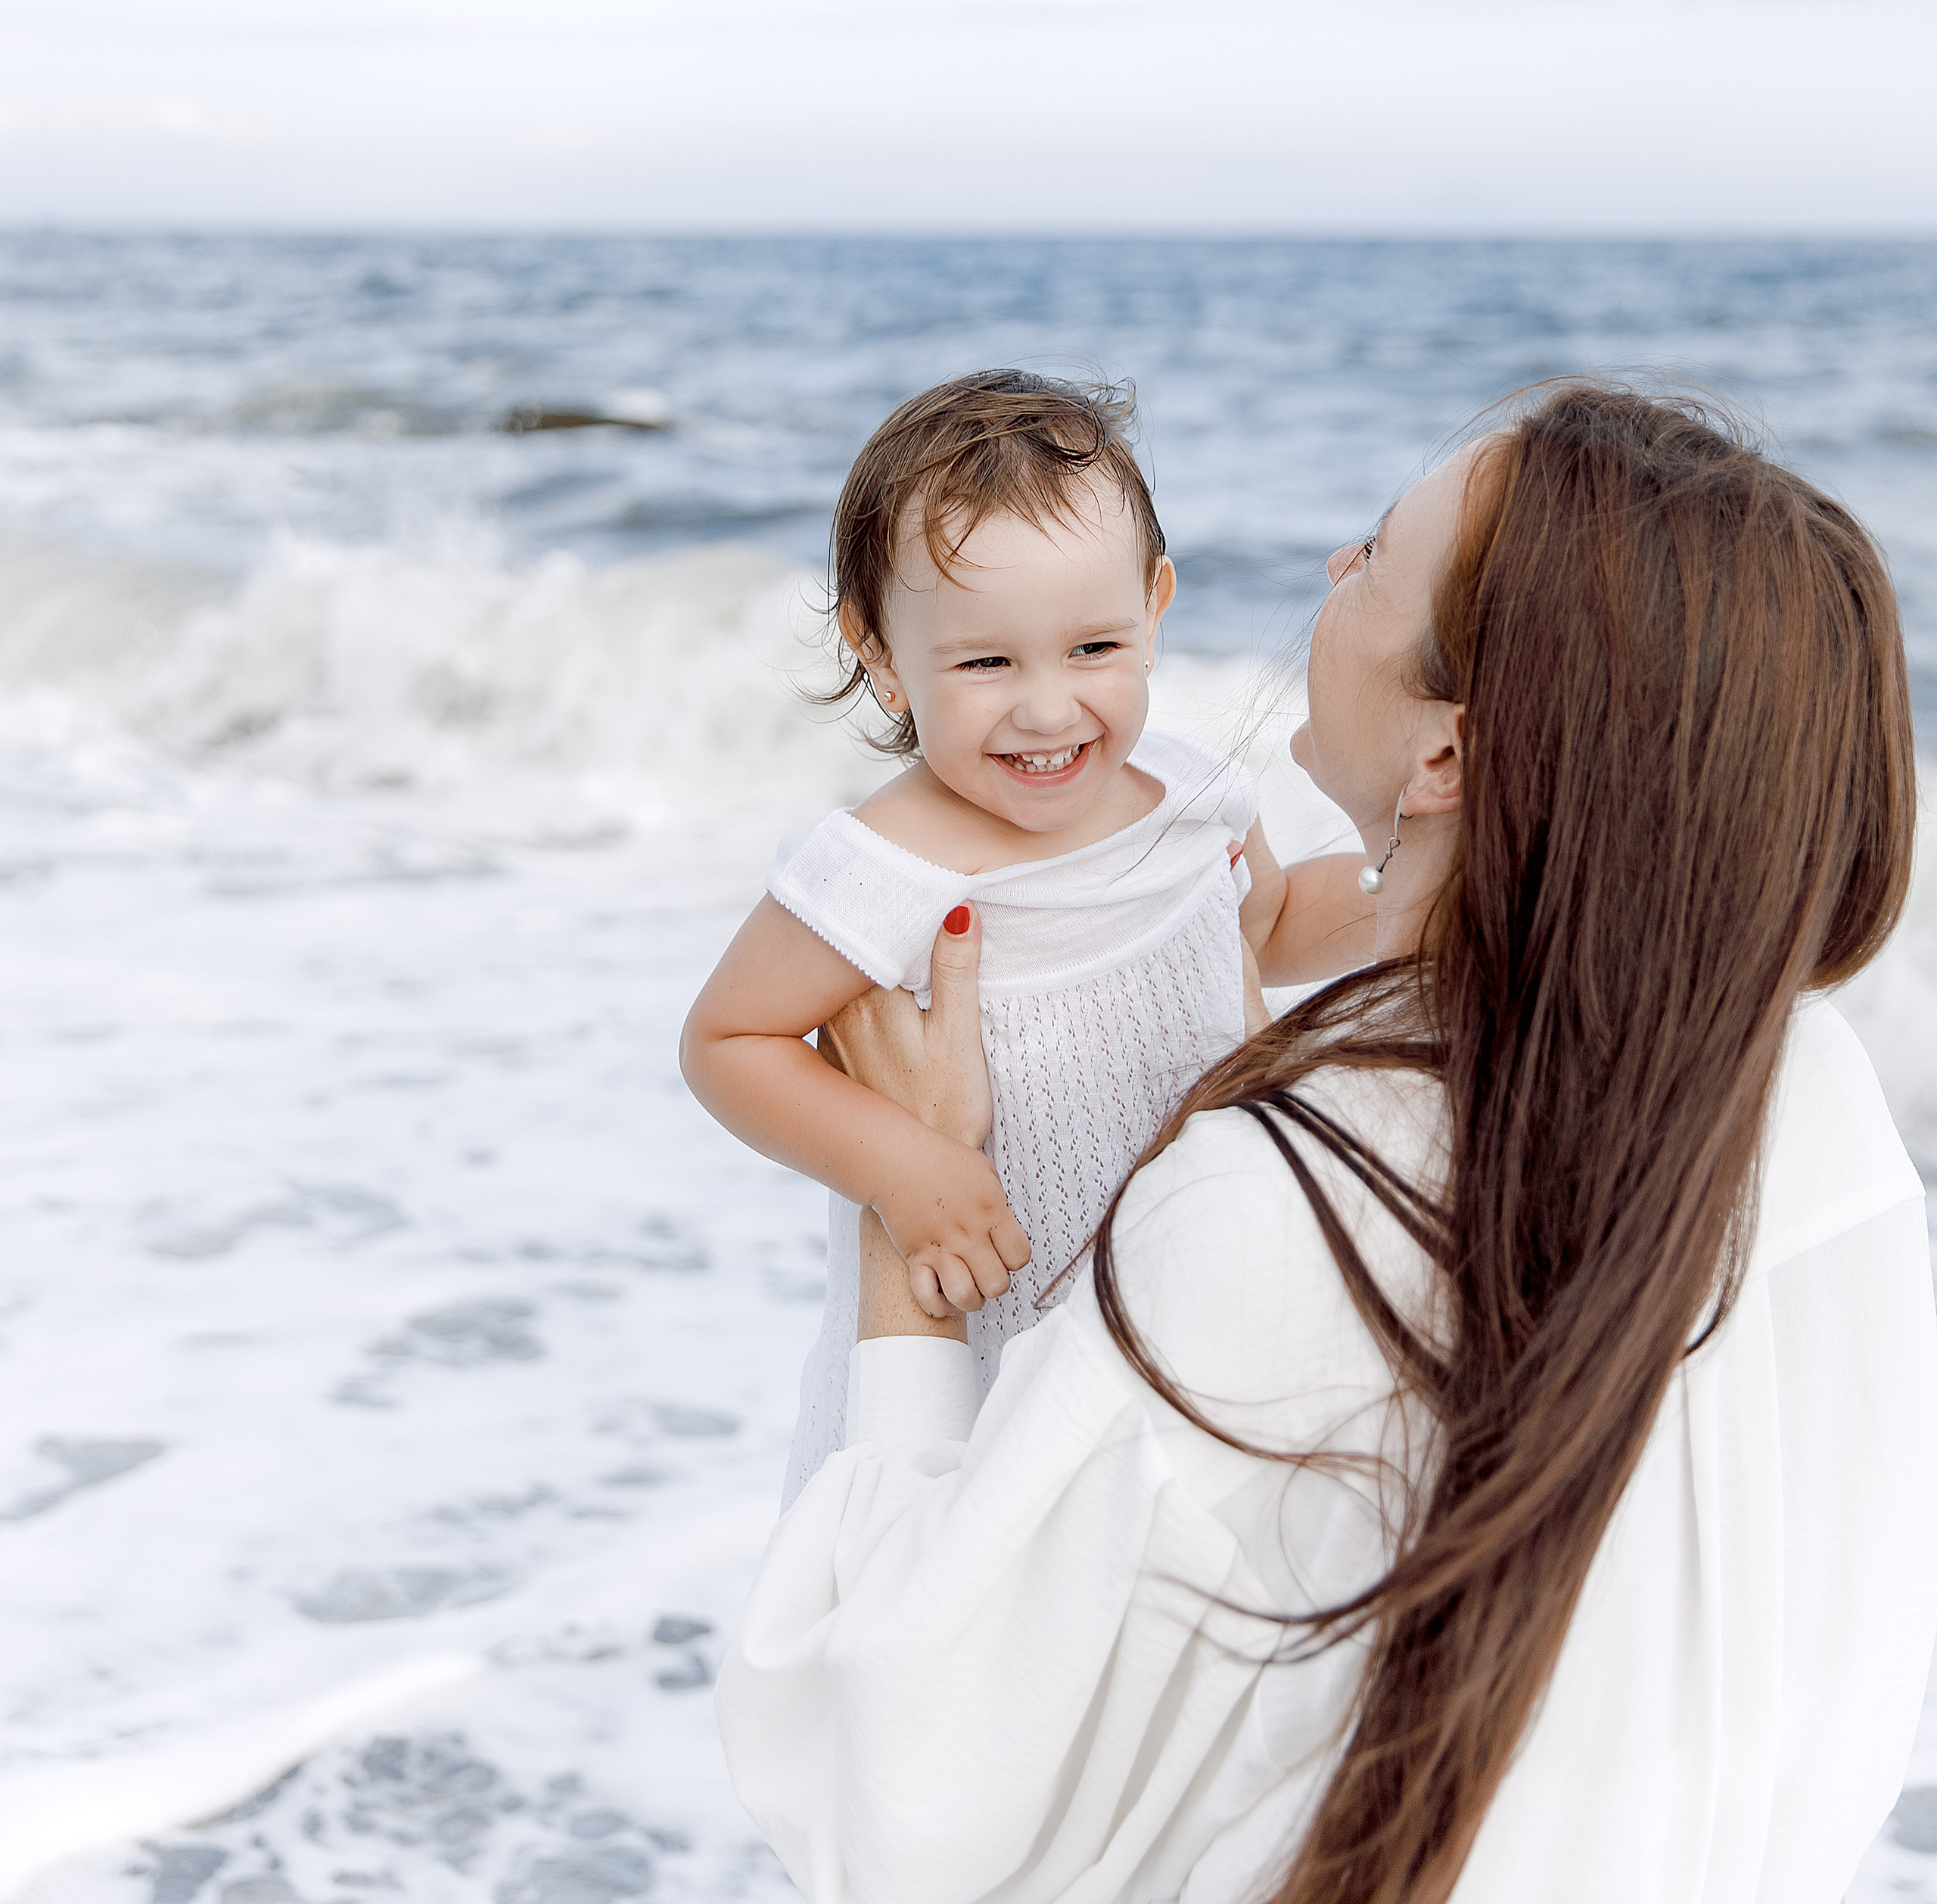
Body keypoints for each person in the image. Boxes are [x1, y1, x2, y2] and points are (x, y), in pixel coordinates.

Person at [715, 384, 1937, 1902]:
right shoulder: (1807, 1100)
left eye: (1371, 560)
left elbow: (887, 1781)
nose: (1325, 572)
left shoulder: (1270, 1214)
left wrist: (909, 1204)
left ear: (1441, 755)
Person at [679, 369, 1373, 1500]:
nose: (1049, 709)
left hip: (1197, 1312)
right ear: (881, 651)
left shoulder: (1194, 798)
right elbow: (728, 1044)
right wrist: (903, 1167)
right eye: (987, 662)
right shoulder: (882, 869)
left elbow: (1277, 925)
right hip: (988, 1344)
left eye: (1094, 649)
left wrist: (1430, 885)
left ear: (1156, 604)